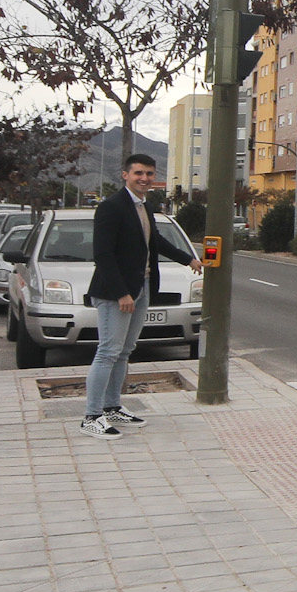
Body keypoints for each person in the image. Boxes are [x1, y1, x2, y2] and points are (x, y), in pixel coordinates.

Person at [82, 154, 202, 439]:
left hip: (143, 286)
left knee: (124, 351)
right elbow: (103, 254)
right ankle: (91, 416)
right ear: (125, 175)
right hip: (118, 292)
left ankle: (112, 407)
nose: (145, 179)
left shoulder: (144, 206)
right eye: (139, 173)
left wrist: (188, 260)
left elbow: (155, 242)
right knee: (108, 352)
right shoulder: (112, 207)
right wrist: (122, 292)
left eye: (149, 174)